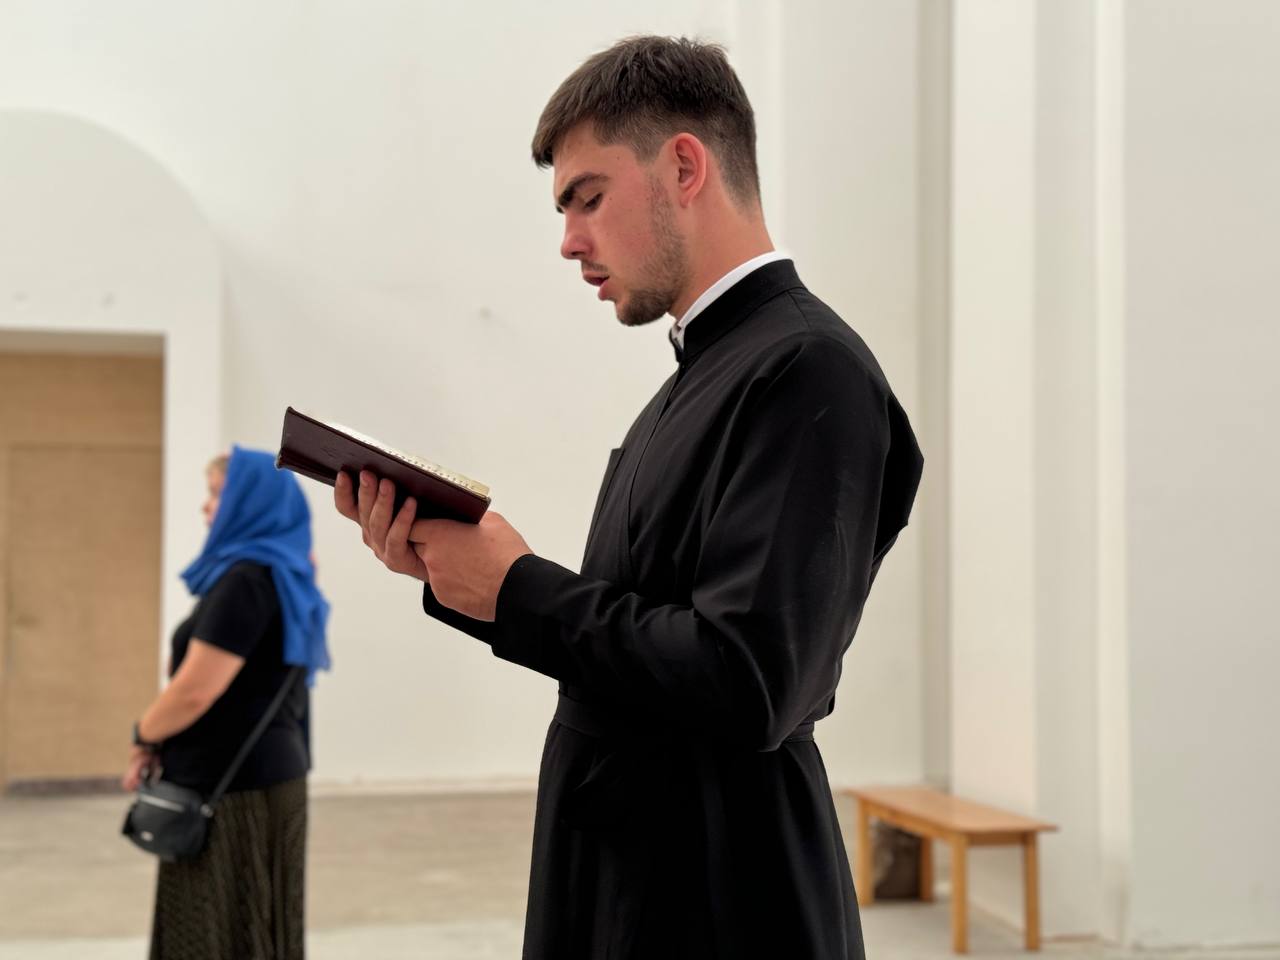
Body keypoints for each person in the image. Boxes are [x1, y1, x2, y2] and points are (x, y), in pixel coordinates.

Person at [335, 36, 922, 959]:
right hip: (639, 876)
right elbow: (636, 637)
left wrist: (517, 588)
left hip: (719, 899)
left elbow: (749, 681)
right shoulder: (700, 376)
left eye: (588, 197)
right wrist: (462, 575)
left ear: (684, 166)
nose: (569, 240)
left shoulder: (809, 369)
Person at [124, 446, 330, 960]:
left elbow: (195, 690)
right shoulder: (283, 577)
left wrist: (142, 736)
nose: (205, 506)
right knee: (255, 928)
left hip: (230, 788)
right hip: (264, 779)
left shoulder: (246, 581)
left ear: (248, 503)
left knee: (210, 933)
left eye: (217, 494)